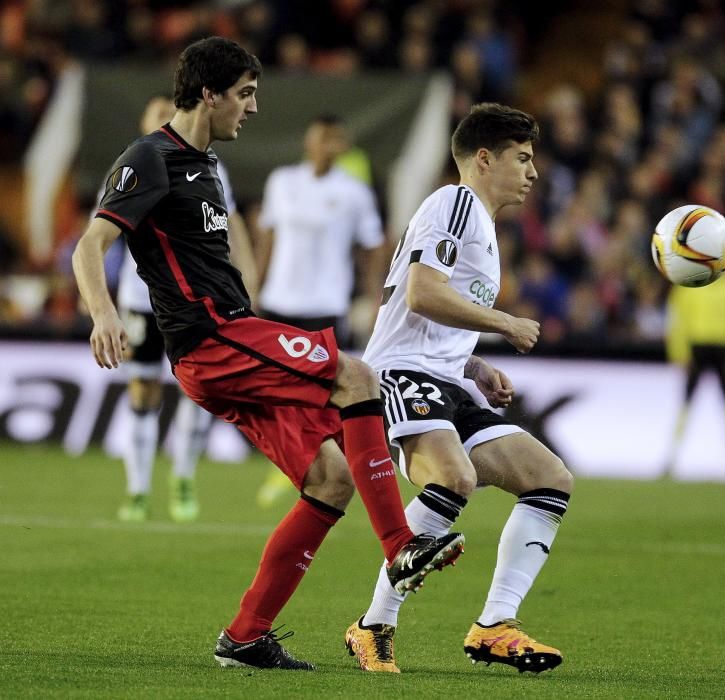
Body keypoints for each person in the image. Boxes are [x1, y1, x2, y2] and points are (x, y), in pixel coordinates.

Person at [71, 36, 464, 671]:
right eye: (245, 94)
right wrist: (105, 313)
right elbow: (89, 245)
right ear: (209, 93)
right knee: (354, 373)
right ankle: (399, 543)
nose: (252, 109)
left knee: (330, 480)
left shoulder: (206, 166)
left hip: (230, 336)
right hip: (210, 340)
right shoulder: (150, 158)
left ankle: (246, 637)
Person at [344, 103, 573, 674]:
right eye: (522, 158)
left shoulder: (481, 225)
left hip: (447, 380)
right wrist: (505, 323)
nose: (533, 172)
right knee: (454, 477)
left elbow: (421, 310)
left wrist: (472, 366)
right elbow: (422, 294)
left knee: (550, 479)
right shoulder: (454, 202)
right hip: (398, 374)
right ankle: (375, 624)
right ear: (484, 157)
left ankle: (495, 624)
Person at [112, 94, 259, 523]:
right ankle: (138, 489)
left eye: (166, 113)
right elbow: (102, 234)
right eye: (154, 114)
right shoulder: (132, 166)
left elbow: (231, 223)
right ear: (144, 121)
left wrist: (245, 279)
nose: (162, 120)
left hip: (195, 301)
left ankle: (183, 477)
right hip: (140, 299)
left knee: (199, 393)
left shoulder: (211, 166)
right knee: (143, 390)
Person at [253, 113, 385, 508]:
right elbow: (268, 236)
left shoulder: (354, 191)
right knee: (276, 393)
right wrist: (253, 287)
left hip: (326, 305)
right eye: (321, 137)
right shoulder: (282, 181)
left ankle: (321, 467)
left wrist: (374, 295)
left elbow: (373, 244)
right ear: (309, 141)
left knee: (325, 395)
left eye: (335, 139)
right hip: (279, 302)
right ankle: (289, 463)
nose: (327, 145)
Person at [662, 266, 725, 479]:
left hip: (723, 348)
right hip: (697, 348)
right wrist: (680, 352)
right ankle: (671, 459)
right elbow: (678, 319)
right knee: (687, 405)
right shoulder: (692, 283)